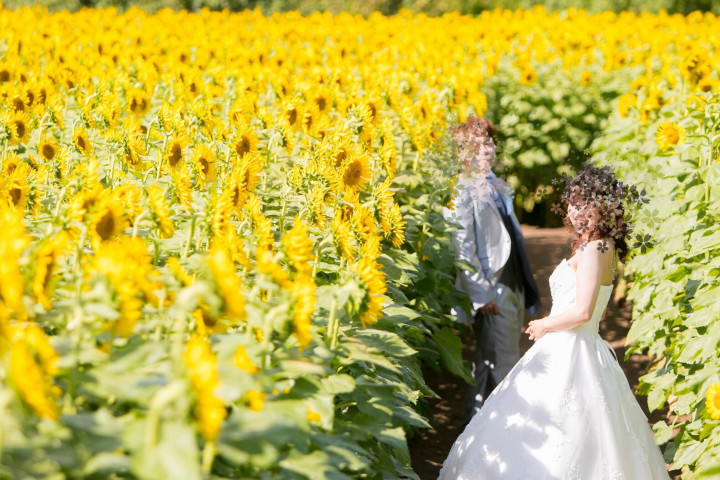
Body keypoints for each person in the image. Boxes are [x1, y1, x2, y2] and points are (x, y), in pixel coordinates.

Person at [437, 165, 670, 480]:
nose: (577, 212)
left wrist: (546, 324)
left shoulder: (596, 247)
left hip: (572, 344)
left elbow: (584, 312)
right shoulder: (598, 245)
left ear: (605, 207)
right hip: (572, 346)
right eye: (574, 203)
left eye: (586, 204)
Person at [443, 116, 540, 421]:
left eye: (488, 143)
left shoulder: (496, 185)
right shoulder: (461, 191)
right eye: (475, 145)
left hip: (510, 285)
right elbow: (463, 247)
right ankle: (504, 432)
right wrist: (482, 294)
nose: (484, 150)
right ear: (461, 153)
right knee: (505, 368)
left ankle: (476, 427)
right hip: (492, 292)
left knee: (488, 364)